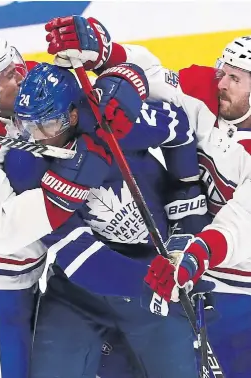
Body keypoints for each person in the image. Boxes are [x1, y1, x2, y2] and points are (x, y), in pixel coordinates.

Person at [4, 48, 213, 378]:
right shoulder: (24, 165)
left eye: (47, 125)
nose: (35, 137)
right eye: (25, 125)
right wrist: (149, 285)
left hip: (153, 260)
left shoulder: (116, 123)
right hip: (80, 292)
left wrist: (186, 194)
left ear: (73, 115)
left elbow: (178, 127)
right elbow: (76, 254)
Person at [0, 32, 117, 378]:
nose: (23, 74)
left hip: (14, 282)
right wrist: (71, 183)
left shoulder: (9, 106)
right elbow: (3, 230)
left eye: (17, 64)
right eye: (9, 74)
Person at [136, 36, 251, 378]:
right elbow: (150, 75)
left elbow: (242, 221)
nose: (222, 84)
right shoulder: (206, 93)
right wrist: (104, 51)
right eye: (222, 72)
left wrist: (199, 252)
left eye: (235, 78)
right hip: (202, 270)